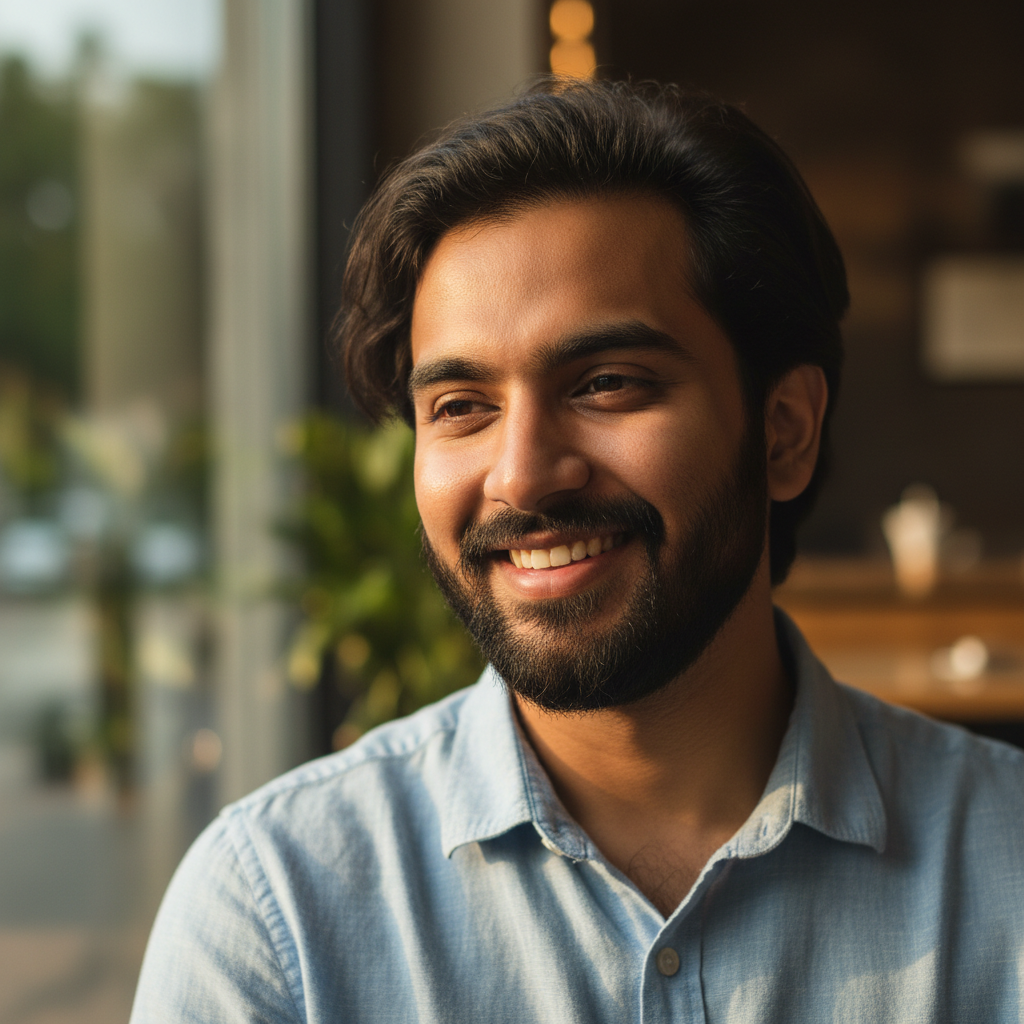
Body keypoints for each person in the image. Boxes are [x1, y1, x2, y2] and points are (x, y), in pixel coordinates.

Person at [131, 80, 1023, 1022]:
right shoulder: (278, 920)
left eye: (606, 383)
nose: (521, 477)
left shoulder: (1004, 873)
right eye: (461, 408)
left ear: (785, 432)